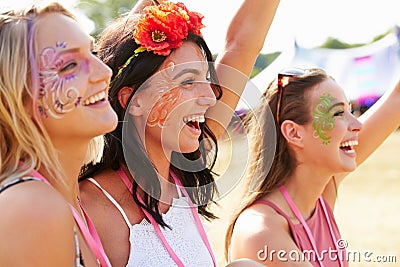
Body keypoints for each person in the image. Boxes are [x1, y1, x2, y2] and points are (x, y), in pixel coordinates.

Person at [79, 0, 280, 266]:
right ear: (133, 100)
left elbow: (241, 45)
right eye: (187, 81)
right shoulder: (85, 205)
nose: (210, 97)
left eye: (207, 80)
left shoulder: (181, 174)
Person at [225, 67, 400, 266]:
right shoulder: (260, 229)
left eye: (350, 111)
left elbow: (397, 97)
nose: (357, 125)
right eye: (338, 113)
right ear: (294, 133)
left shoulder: (321, 192)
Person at [0, 2, 118, 266]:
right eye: (69, 66)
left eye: (94, 52)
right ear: (16, 99)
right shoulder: (31, 207)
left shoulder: (68, 201)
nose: (104, 72)